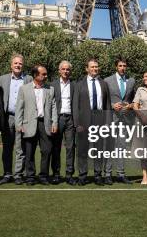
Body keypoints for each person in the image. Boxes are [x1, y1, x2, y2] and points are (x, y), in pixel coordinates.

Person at [14, 65, 58, 185]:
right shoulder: (24, 89)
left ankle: (43, 176)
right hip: (29, 125)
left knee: (47, 150)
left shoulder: (50, 89)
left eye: (46, 74)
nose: (46, 76)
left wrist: (55, 122)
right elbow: (19, 108)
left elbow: (54, 107)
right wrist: (19, 124)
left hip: (45, 124)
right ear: (35, 75)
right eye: (43, 74)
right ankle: (30, 177)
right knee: (29, 152)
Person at [72, 58, 111, 186]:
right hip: (84, 120)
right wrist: (77, 124)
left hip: (100, 118)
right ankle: (82, 175)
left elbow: (107, 104)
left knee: (99, 149)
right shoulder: (79, 84)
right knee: (83, 149)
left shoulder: (104, 84)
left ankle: (98, 175)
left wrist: (107, 122)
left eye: (96, 67)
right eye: (92, 67)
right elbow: (75, 106)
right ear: (87, 69)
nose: (95, 69)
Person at [0, 54, 32, 185]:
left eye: (20, 64)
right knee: (7, 147)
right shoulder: (3, 79)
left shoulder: (28, 79)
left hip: (22, 118)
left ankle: (18, 174)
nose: (18, 65)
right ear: (11, 65)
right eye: (15, 63)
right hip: (7, 118)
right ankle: (7, 173)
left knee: (20, 148)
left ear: (23, 65)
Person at [104, 58, 136, 184]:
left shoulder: (132, 81)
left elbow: (134, 99)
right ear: (116, 67)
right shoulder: (107, 81)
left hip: (125, 119)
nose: (122, 68)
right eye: (120, 65)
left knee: (122, 147)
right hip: (111, 118)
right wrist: (112, 105)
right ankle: (107, 174)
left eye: (124, 66)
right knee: (110, 147)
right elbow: (104, 99)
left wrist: (131, 105)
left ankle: (121, 174)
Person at [50, 60, 77, 186]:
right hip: (58, 119)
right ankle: (56, 174)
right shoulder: (52, 85)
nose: (66, 71)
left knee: (70, 148)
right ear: (59, 71)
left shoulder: (74, 85)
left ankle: (69, 174)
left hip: (70, 119)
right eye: (63, 69)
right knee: (56, 148)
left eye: (68, 69)